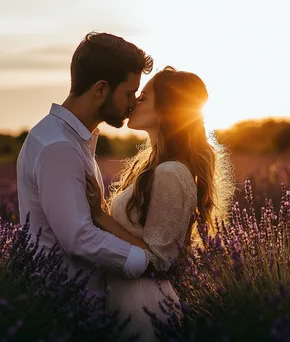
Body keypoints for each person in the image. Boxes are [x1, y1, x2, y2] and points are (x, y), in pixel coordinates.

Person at [85, 66, 235, 341]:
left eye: (143, 98)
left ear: (164, 112)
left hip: (143, 305)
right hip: (124, 297)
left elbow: (159, 260)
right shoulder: (156, 168)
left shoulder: (171, 173)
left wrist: (100, 216)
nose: (133, 103)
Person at [16, 32, 168, 298]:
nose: (134, 103)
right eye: (129, 93)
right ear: (100, 89)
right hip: (65, 304)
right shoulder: (59, 147)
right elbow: (79, 238)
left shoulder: (66, 138)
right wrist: (147, 263)